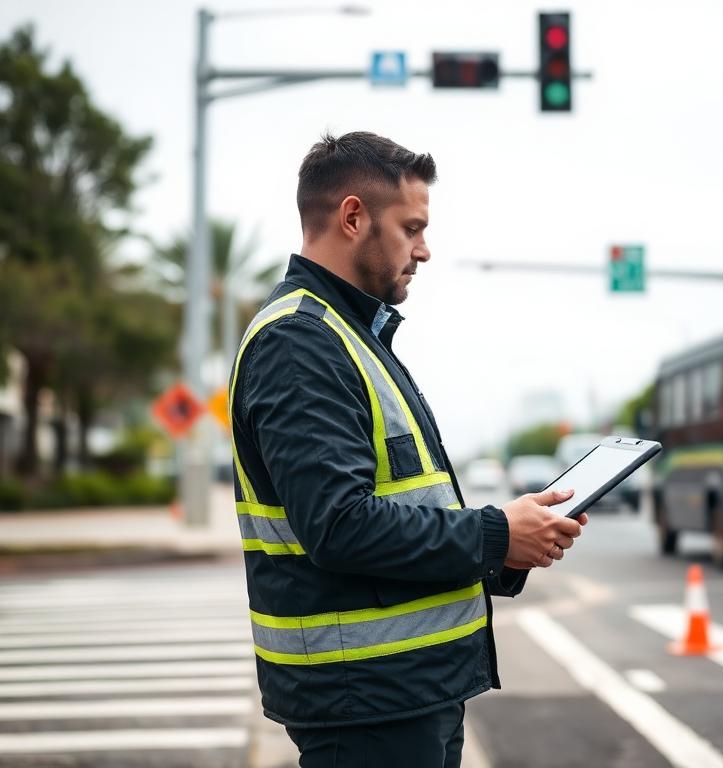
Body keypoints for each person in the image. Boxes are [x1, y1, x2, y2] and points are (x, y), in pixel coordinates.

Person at [227, 131, 588, 767]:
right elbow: (339, 526)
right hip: (365, 703)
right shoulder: (301, 344)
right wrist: (495, 534)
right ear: (353, 216)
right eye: (412, 227)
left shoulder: (347, 333)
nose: (424, 249)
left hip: (400, 695)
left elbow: (395, 506)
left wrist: (511, 544)